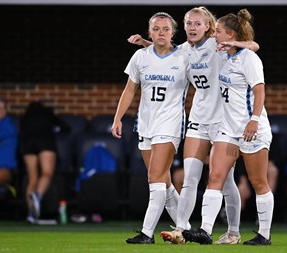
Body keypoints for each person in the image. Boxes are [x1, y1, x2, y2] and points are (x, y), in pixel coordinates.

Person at [128, 6, 260, 245]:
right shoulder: (184, 50)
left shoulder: (216, 44)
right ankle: (181, 229)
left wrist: (236, 44)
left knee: (225, 181)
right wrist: (146, 42)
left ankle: (233, 231)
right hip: (198, 119)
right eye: (188, 23)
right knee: (189, 177)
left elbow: (253, 47)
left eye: (198, 23)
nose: (192, 27)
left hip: (224, 120)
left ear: (208, 26)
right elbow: (165, 51)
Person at [182, 9, 274, 246]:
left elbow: (259, 90)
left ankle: (264, 234)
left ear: (230, 35)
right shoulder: (221, 53)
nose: (215, 35)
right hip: (228, 129)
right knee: (215, 176)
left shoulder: (249, 59)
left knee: (258, 181)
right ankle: (205, 230)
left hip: (251, 128)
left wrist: (254, 119)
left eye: (219, 31)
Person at [111, 12, 190, 244]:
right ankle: (184, 230)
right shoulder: (140, 56)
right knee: (163, 181)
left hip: (171, 123)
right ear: (149, 32)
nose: (161, 33)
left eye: (166, 29)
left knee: (154, 177)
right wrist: (117, 118)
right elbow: (129, 90)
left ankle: (147, 233)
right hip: (145, 124)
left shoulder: (184, 56)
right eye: (156, 29)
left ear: (173, 32)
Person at [20, 101, 70, 223]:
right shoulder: (47, 113)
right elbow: (66, 128)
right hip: (45, 142)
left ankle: (32, 214)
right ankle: (37, 196)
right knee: (47, 173)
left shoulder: (25, 117)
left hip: (27, 144)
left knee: (32, 179)